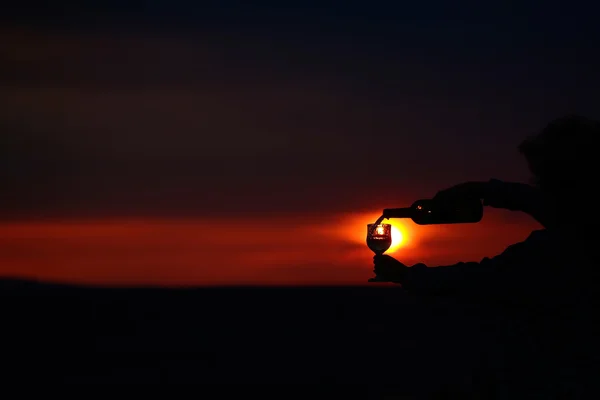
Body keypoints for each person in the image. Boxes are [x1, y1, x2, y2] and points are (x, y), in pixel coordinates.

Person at [372, 115, 599, 396]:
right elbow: (535, 201)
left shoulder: (560, 249)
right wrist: (481, 190)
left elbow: (480, 278)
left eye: (542, 178)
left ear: (564, 182)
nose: (536, 186)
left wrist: (407, 275)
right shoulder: (581, 214)